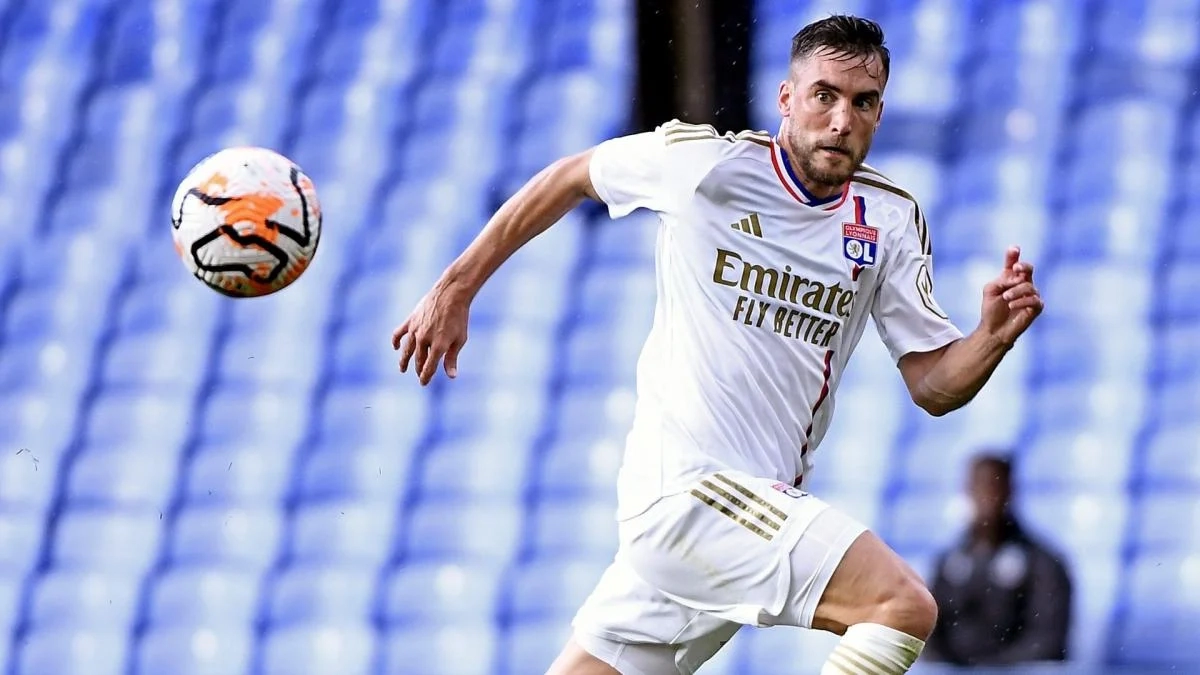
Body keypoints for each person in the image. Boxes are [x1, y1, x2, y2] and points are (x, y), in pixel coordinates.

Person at [392, 14, 1044, 675]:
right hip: (691, 495)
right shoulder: (704, 165)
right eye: (824, 94)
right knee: (901, 606)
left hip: (740, 520)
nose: (842, 119)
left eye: (863, 101)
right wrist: (455, 287)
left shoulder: (888, 219)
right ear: (787, 98)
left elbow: (932, 385)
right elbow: (572, 175)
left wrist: (989, 337)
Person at [925, 454, 1072, 666]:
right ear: (967, 491)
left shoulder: (1043, 563)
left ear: (1010, 490)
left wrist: (992, 670)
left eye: (994, 486)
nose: (987, 496)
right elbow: (930, 633)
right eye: (979, 486)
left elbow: (1048, 640)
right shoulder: (948, 562)